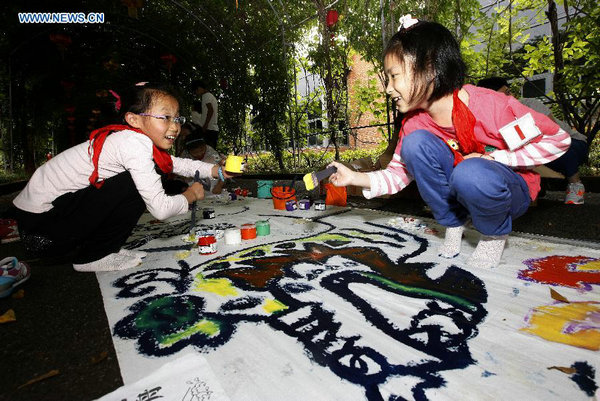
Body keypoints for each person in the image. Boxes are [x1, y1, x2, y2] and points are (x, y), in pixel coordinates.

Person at [328, 16, 571, 269]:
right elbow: (398, 175)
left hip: (510, 191)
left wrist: (498, 158)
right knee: (415, 144)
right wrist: (354, 178)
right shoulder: (414, 124)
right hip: (461, 187)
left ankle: (494, 234)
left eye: (394, 76)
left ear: (430, 69)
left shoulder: (492, 107)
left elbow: (557, 140)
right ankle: (453, 223)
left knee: (471, 171)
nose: (388, 89)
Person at [12, 82, 235, 272]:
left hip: (45, 226)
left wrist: (214, 170)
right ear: (134, 119)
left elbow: (174, 163)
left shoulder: (130, 140)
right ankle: (92, 256)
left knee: (142, 176)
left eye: (177, 118)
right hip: (43, 232)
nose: (175, 126)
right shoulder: (132, 143)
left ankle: (98, 248)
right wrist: (190, 195)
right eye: (165, 117)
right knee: (135, 183)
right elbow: (160, 209)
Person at [477, 76, 588, 204]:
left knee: (558, 149)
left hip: (571, 142)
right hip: (530, 150)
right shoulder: (489, 118)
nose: (510, 96)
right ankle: (533, 188)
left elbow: (552, 131)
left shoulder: (529, 104)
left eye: (509, 91)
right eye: (505, 94)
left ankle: (575, 184)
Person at [179, 125, 225, 195]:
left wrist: (219, 185)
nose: (199, 154)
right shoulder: (185, 155)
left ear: (205, 146)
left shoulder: (212, 154)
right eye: (195, 153)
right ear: (189, 151)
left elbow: (223, 169)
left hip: (213, 188)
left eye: (201, 150)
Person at [190, 80, 219, 149]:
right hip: (213, 128)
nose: (197, 94)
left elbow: (210, 110)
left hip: (209, 129)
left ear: (199, 88)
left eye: (196, 91)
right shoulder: (211, 96)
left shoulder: (205, 96)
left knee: (207, 152)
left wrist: (205, 125)